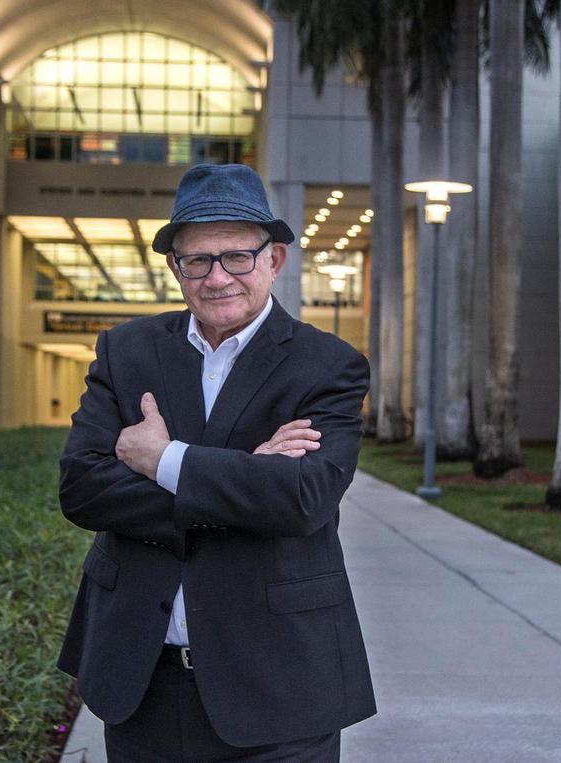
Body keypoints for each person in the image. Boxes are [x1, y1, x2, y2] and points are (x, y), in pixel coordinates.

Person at [57, 163, 376, 761]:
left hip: (280, 685)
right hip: (142, 682)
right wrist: (245, 473)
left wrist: (163, 459)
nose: (216, 277)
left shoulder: (329, 365)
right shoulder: (126, 352)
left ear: (274, 259)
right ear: (176, 267)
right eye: (196, 260)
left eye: (237, 256)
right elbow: (82, 489)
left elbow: (301, 499)